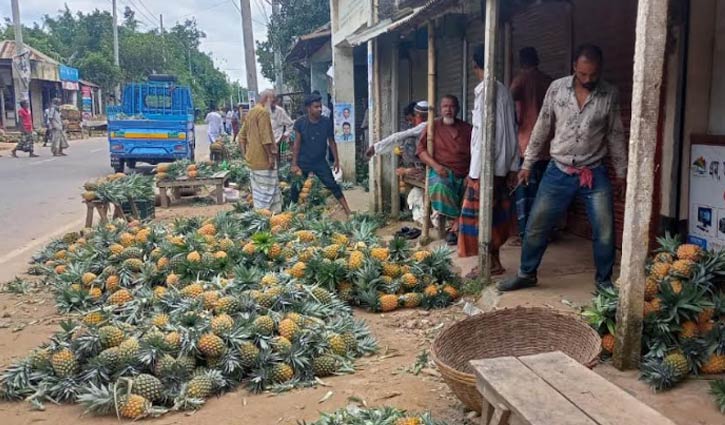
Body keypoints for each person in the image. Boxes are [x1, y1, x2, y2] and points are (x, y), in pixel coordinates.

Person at [499, 44, 627, 292]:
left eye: (593, 75)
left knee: (605, 230)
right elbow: (542, 127)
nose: (588, 79)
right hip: (558, 170)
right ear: (574, 68)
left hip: (594, 172)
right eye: (583, 74)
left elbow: (615, 134)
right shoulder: (557, 88)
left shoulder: (609, 93)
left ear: (600, 70)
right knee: (537, 225)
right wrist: (528, 163)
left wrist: (622, 173)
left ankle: (603, 281)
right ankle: (526, 274)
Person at [458, 45, 519, 276]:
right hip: (500, 165)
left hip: (486, 167)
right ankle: (494, 262)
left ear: (475, 66)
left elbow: (482, 135)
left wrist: (475, 172)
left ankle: (486, 263)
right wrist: (512, 165)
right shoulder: (503, 90)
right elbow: (512, 129)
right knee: (495, 216)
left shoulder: (485, 91)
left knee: (478, 219)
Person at [510, 47, 553, 244]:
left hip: (526, 145)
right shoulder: (548, 81)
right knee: (544, 191)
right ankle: (546, 231)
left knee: (524, 193)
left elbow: (507, 101)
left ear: (522, 61)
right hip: (548, 146)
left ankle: (526, 233)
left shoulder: (521, 79)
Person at [416, 95, 472, 245]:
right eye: (445, 106)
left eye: (452, 106)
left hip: (465, 173)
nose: (448, 110)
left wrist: (470, 174)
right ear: (440, 109)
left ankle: (456, 226)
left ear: (458, 109)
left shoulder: (468, 129)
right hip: (442, 171)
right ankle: (455, 223)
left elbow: (477, 152)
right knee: (440, 187)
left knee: (476, 190)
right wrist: (436, 166)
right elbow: (421, 150)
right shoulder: (433, 126)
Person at [290, 93, 352, 215]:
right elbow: (296, 145)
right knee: (295, 188)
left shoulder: (326, 122)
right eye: (316, 107)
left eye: (320, 106)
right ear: (308, 108)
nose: (319, 109)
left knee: (333, 185)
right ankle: (289, 212)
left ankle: (348, 211)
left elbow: (331, 141)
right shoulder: (300, 123)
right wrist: (294, 164)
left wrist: (337, 160)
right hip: (304, 161)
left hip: (320, 162)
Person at [239, 90, 282, 212]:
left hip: (253, 161)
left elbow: (241, 137)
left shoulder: (251, 112)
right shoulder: (263, 113)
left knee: (259, 194)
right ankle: (269, 218)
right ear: (267, 99)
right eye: (273, 101)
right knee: (267, 194)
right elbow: (265, 138)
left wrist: (245, 155)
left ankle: (266, 217)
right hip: (263, 161)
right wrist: (270, 157)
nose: (274, 105)